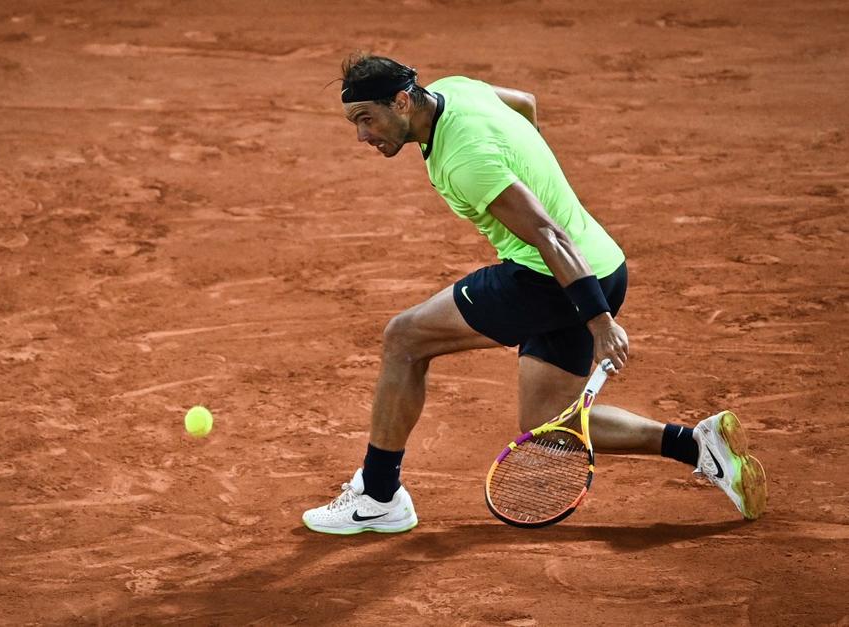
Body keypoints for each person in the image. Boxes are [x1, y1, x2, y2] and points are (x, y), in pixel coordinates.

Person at [302, 54, 767, 534]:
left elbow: (548, 236)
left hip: (547, 279)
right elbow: (525, 103)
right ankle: (698, 446)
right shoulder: (458, 90)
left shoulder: (466, 159)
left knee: (404, 339)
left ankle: (379, 495)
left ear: (401, 102)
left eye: (366, 119)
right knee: (548, 421)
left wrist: (600, 322)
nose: (362, 136)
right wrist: (530, 171)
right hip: (603, 264)